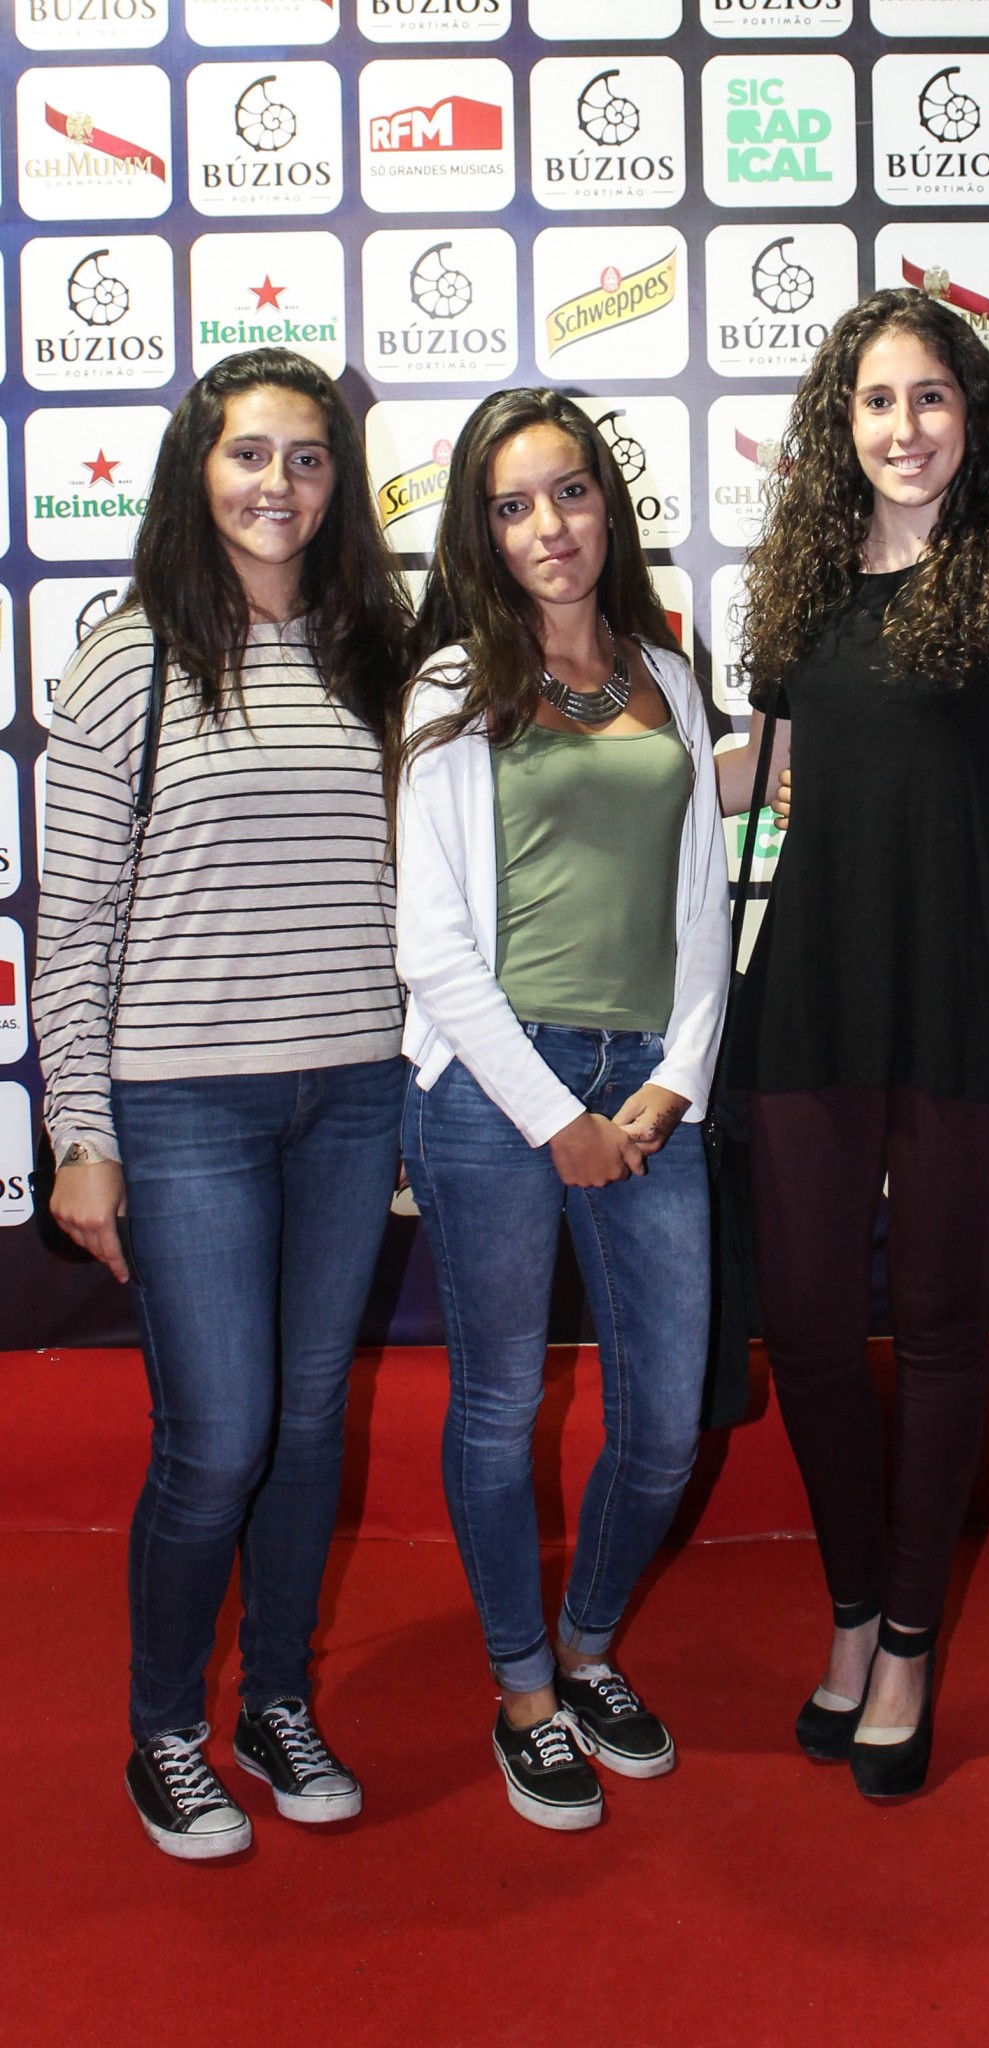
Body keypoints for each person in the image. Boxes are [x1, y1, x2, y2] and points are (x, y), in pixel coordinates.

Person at [33, 348, 415, 1859]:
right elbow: (75, 924)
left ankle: (276, 1701)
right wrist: (82, 1136)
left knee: (310, 1426)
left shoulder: (377, 654)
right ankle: (164, 1730)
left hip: (353, 1094)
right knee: (218, 1437)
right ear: (197, 469)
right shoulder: (130, 660)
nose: (279, 484)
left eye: (308, 458)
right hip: (184, 1106)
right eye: (250, 453)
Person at [725, 287, 989, 1799]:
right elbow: (769, 773)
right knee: (810, 1330)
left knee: (939, 1328)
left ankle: (910, 1642)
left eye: (931, 397)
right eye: (877, 401)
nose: (904, 428)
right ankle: (852, 1605)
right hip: (810, 992)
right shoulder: (802, 580)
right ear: (841, 421)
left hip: (963, 994)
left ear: (972, 416)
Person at [392, 388, 728, 1834]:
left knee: (665, 1421)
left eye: (571, 492)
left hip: (649, 1086)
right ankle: (524, 1690)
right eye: (514, 505)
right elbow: (429, 944)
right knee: (498, 1406)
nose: (550, 527)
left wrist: (675, 1077)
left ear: (609, 503)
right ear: (482, 531)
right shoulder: (451, 685)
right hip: (492, 1090)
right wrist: (553, 1116)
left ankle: (588, 1647)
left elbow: (704, 901)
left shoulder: (667, 673)